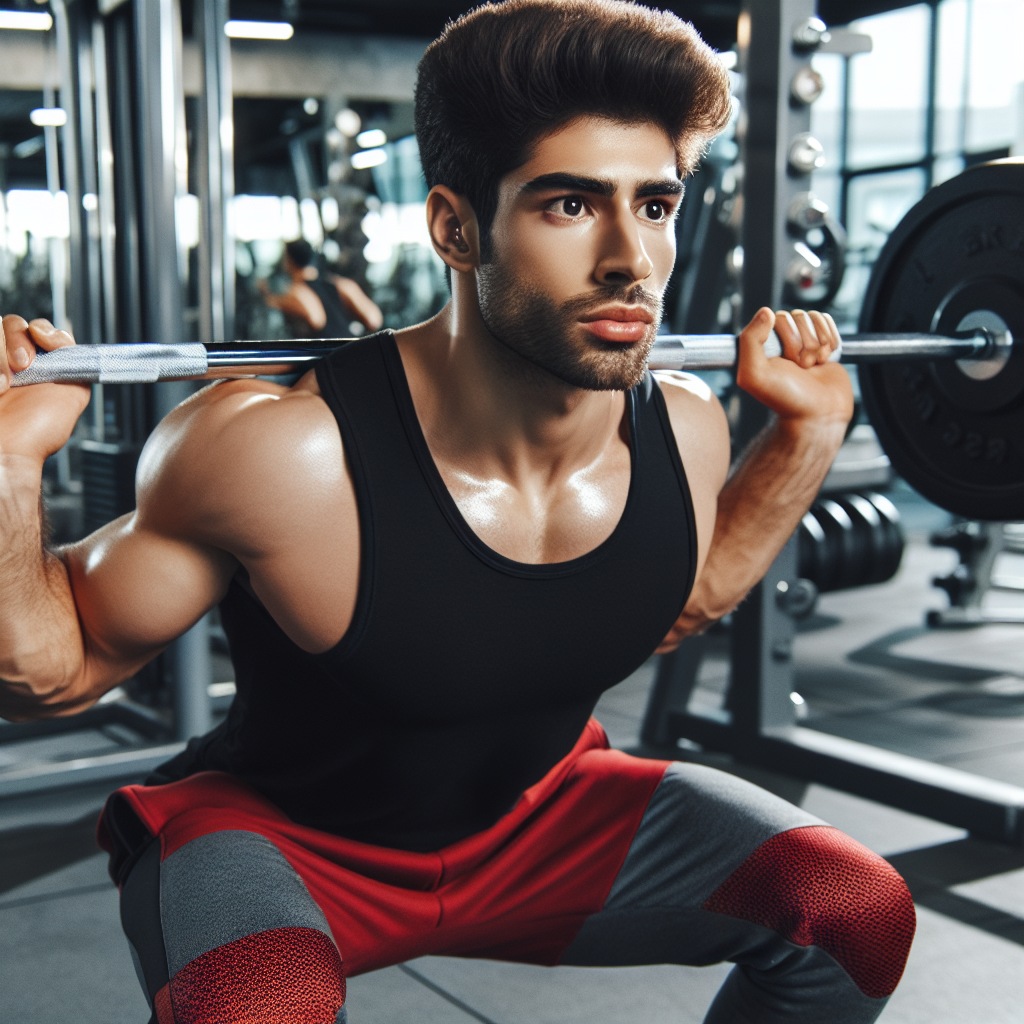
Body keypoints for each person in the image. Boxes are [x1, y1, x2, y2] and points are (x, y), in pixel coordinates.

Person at [0, 2, 914, 1022]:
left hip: (545, 818)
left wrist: (802, 441)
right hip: (285, 839)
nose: (630, 259)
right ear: (454, 226)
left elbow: (674, 597)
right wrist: (6, 459)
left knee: (852, 907)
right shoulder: (281, 452)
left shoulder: (689, 428)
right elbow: (59, 670)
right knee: (255, 1004)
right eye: (569, 205)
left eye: (654, 205)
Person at [259, 238, 384, 337]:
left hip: (326, 358)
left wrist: (268, 296)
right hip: (351, 351)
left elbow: (316, 319)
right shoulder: (341, 285)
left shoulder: (297, 292)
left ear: (289, 261)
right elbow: (374, 320)